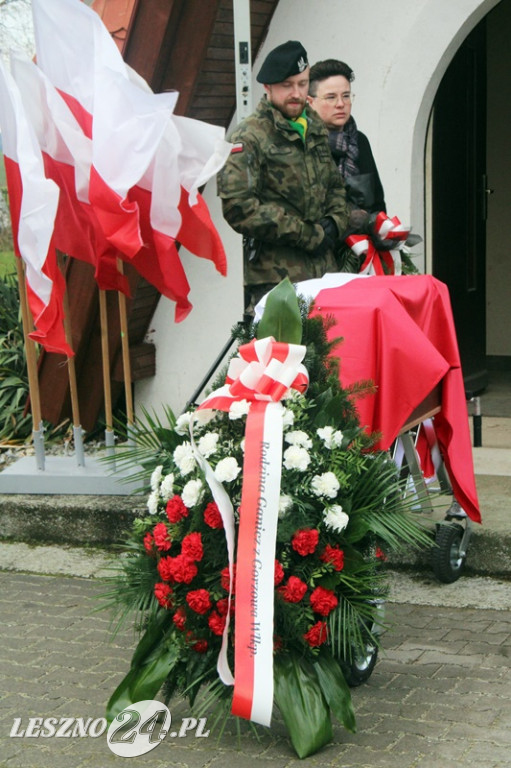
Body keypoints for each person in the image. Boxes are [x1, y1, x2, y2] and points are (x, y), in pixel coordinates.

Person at [218, 41, 349, 312]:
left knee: (332, 353)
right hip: (277, 283)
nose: (296, 93)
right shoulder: (250, 136)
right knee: (282, 355)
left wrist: (335, 223)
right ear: (268, 88)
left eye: (302, 84)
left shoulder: (314, 127)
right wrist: (306, 234)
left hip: (324, 273)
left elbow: (335, 187)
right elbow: (239, 207)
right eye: (287, 85)